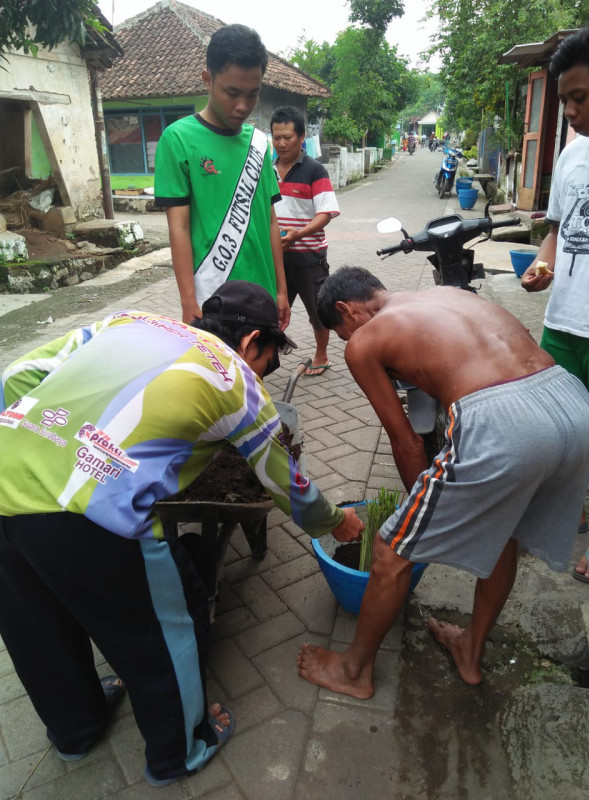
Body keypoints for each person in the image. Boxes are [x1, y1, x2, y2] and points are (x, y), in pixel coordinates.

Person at [0, 281, 363, 785]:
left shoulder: (129, 320)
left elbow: (18, 375)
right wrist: (334, 521)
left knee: (35, 624)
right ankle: (181, 750)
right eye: (268, 362)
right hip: (96, 516)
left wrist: (42, 441)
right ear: (252, 341)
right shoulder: (235, 379)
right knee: (166, 627)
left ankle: (75, 730)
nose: (263, 376)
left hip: (4, 479)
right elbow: (285, 481)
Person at [296, 267, 589, 699]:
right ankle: (470, 653)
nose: (348, 341)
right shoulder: (446, 294)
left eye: (342, 332)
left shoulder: (365, 340)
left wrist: (417, 517)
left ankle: (352, 671)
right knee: (503, 531)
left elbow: (406, 444)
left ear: (346, 310)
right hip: (571, 403)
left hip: (504, 423)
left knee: (390, 548)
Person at [521, 24, 589, 585]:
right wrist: (542, 266)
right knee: (561, 431)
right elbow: (556, 227)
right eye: (564, 99)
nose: (570, 111)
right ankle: (568, 510)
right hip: (563, 321)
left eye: (580, 97)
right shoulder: (572, 155)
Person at [154, 24, 290, 330]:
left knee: (259, 376)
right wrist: (188, 301)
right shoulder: (177, 140)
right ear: (207, 79)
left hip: (263, 295)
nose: (242, 105)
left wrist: (282, 290)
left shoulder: (258, 142)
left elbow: (270, 220)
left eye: (252, 94)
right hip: (213, 298)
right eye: (231, 93)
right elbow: (179, 227)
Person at [270, 105, 340, 377]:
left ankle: (321, 355)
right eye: (276, 137)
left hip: (310, 256)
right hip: (276, 257)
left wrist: (298, 234)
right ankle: (267, 354)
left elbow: (326, 214)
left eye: (287, 137)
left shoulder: (314, 170)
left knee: (318, 310)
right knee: (271, 307)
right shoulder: (267, 170)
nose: (281, 143)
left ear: (301, 137)